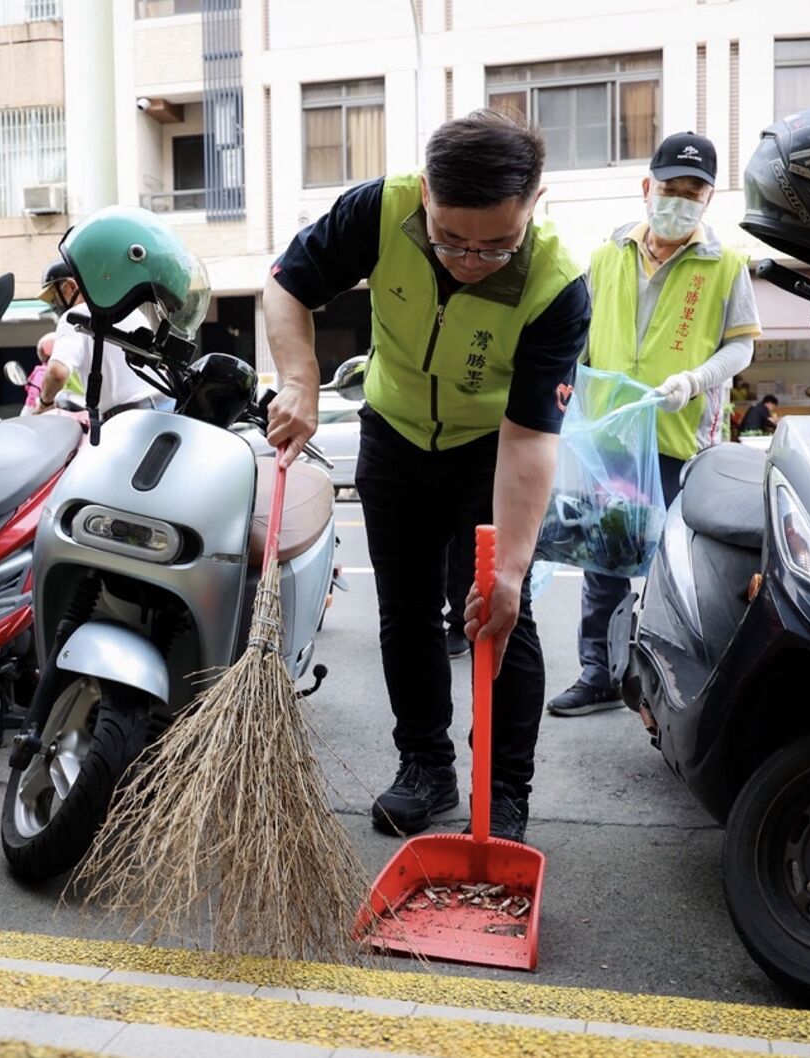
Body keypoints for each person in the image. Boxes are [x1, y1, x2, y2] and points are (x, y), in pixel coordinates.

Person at [264, 110, 591, 843]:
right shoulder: (379, 210)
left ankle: (504, 793)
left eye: (496, 246)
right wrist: (299, 378)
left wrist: (508, 566)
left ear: (534, 204)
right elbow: (287, 284)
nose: (470, 260)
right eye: (451, 240)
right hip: (395, 436)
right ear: (426, 197)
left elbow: (532, 431)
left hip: (489, 450)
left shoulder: (558, 283)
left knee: (499, 613)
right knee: (405, 613)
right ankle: (426, 769)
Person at [548, 131, 761, 718]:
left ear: (709, 199)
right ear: (647, 188)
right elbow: (578, 340)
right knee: (604, 559)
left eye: (693, 192)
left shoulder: (726, 266)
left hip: (677, 439)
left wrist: (694, 380)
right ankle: (600, 673)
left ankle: (670, 678)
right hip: (612, 436)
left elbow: (740, 349)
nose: (679, 200)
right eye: (670, 188)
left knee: (678, 566)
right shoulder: (605, 255)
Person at [34, 258, 164, 418]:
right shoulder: (129, 311)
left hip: (129, 420)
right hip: (164, 408)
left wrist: (44, 403)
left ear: (70, 287)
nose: (54, 304)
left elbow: (57, 373)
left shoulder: (75, 317)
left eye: (54, 297)